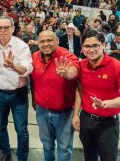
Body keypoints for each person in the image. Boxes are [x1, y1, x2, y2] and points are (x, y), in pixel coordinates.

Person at [0, 16, 33, 161]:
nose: (3, 30)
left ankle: (22, 157)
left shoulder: (22, 46)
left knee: (21, 130)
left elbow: (27, 68)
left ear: (12, 29)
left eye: (6, 27)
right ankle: (6, 151)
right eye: (0, 28)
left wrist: (13, 66)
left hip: (19, 94)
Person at [30, 30, 79, 161]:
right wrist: (34, 100)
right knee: (47, 146)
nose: (46, 44)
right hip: (42, 111)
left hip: (64, 113)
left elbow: (73, 71)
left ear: (57, 41)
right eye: (42, 41)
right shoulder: (34, 57)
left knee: (64, 149)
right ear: (38, 43)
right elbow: (32, 80)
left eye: (49, 40)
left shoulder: (67, 56)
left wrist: (67, 73)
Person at [72, 30, 120, 161]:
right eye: (87, 46)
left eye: (95, 45)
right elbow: (80, 90)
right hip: (86, 120)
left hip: (108, 123)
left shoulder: (116, 66)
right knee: (89, 156)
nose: (91, 49)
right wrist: (76, 115)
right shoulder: (82, 65)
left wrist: (106, 104)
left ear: (103, 45)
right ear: (82, 48)